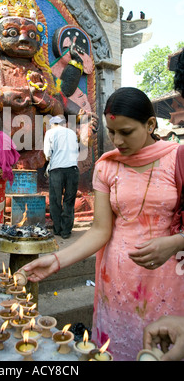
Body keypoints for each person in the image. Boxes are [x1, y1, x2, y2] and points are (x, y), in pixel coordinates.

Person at [22, 87, 184, 361]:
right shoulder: (107, 166)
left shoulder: (177, 159)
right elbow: (100, 230)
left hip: (167, 280)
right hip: (117, 280)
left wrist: (176, 242)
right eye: (111, 131)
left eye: (126, 131)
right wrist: (56, 260)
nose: (117, 140)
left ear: (150, 125)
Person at [44, 115, 79, 239]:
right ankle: (66, 231)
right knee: (69, 201)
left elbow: (47, 153)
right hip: (73, 169)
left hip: (57, 170)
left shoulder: (50, 132)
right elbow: (77, 151)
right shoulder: (72, 133)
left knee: (55, 200)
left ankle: (57, 229)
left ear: (52, 124)